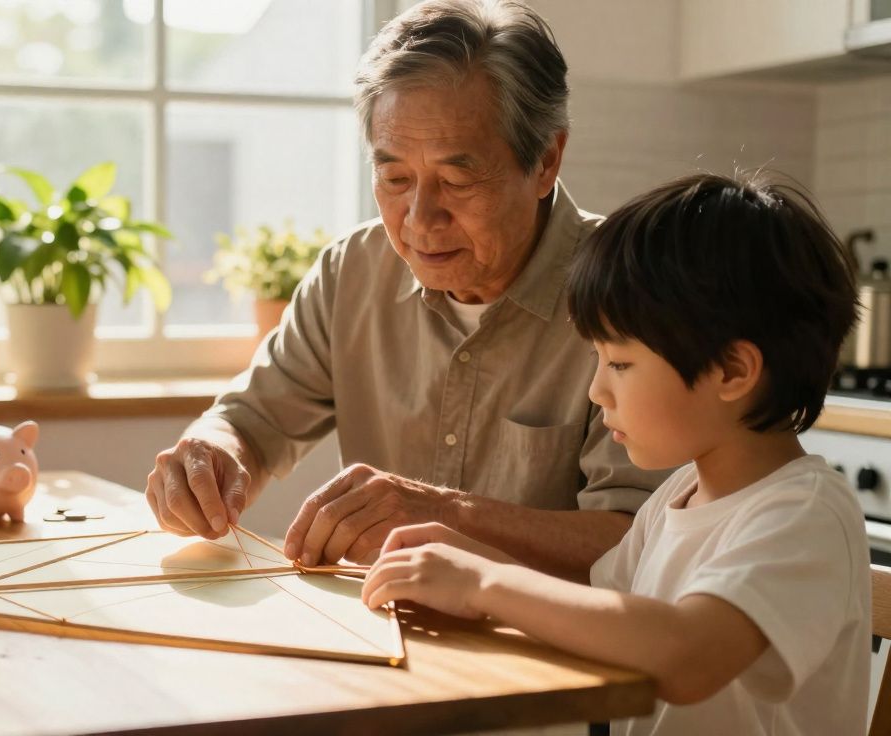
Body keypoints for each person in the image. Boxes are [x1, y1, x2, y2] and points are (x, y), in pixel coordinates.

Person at [146, 0, 667, 580]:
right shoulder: (353, 272)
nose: (420, 219)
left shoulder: (634, 295)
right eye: (394, 178)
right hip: (381, 634)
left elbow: (640, 537)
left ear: (546, 161)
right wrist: (210, 452)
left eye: (456, 179)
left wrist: (446, 514)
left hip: (553, 648)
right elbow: (251, 421)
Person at [362, 172, 869, 735]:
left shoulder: (802, 514)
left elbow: (688, 656)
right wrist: (470, 558)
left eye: (620, 364)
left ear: (732, 370)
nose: (596, 390)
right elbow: (598, 607)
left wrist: (482, 585)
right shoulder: (681, 495)